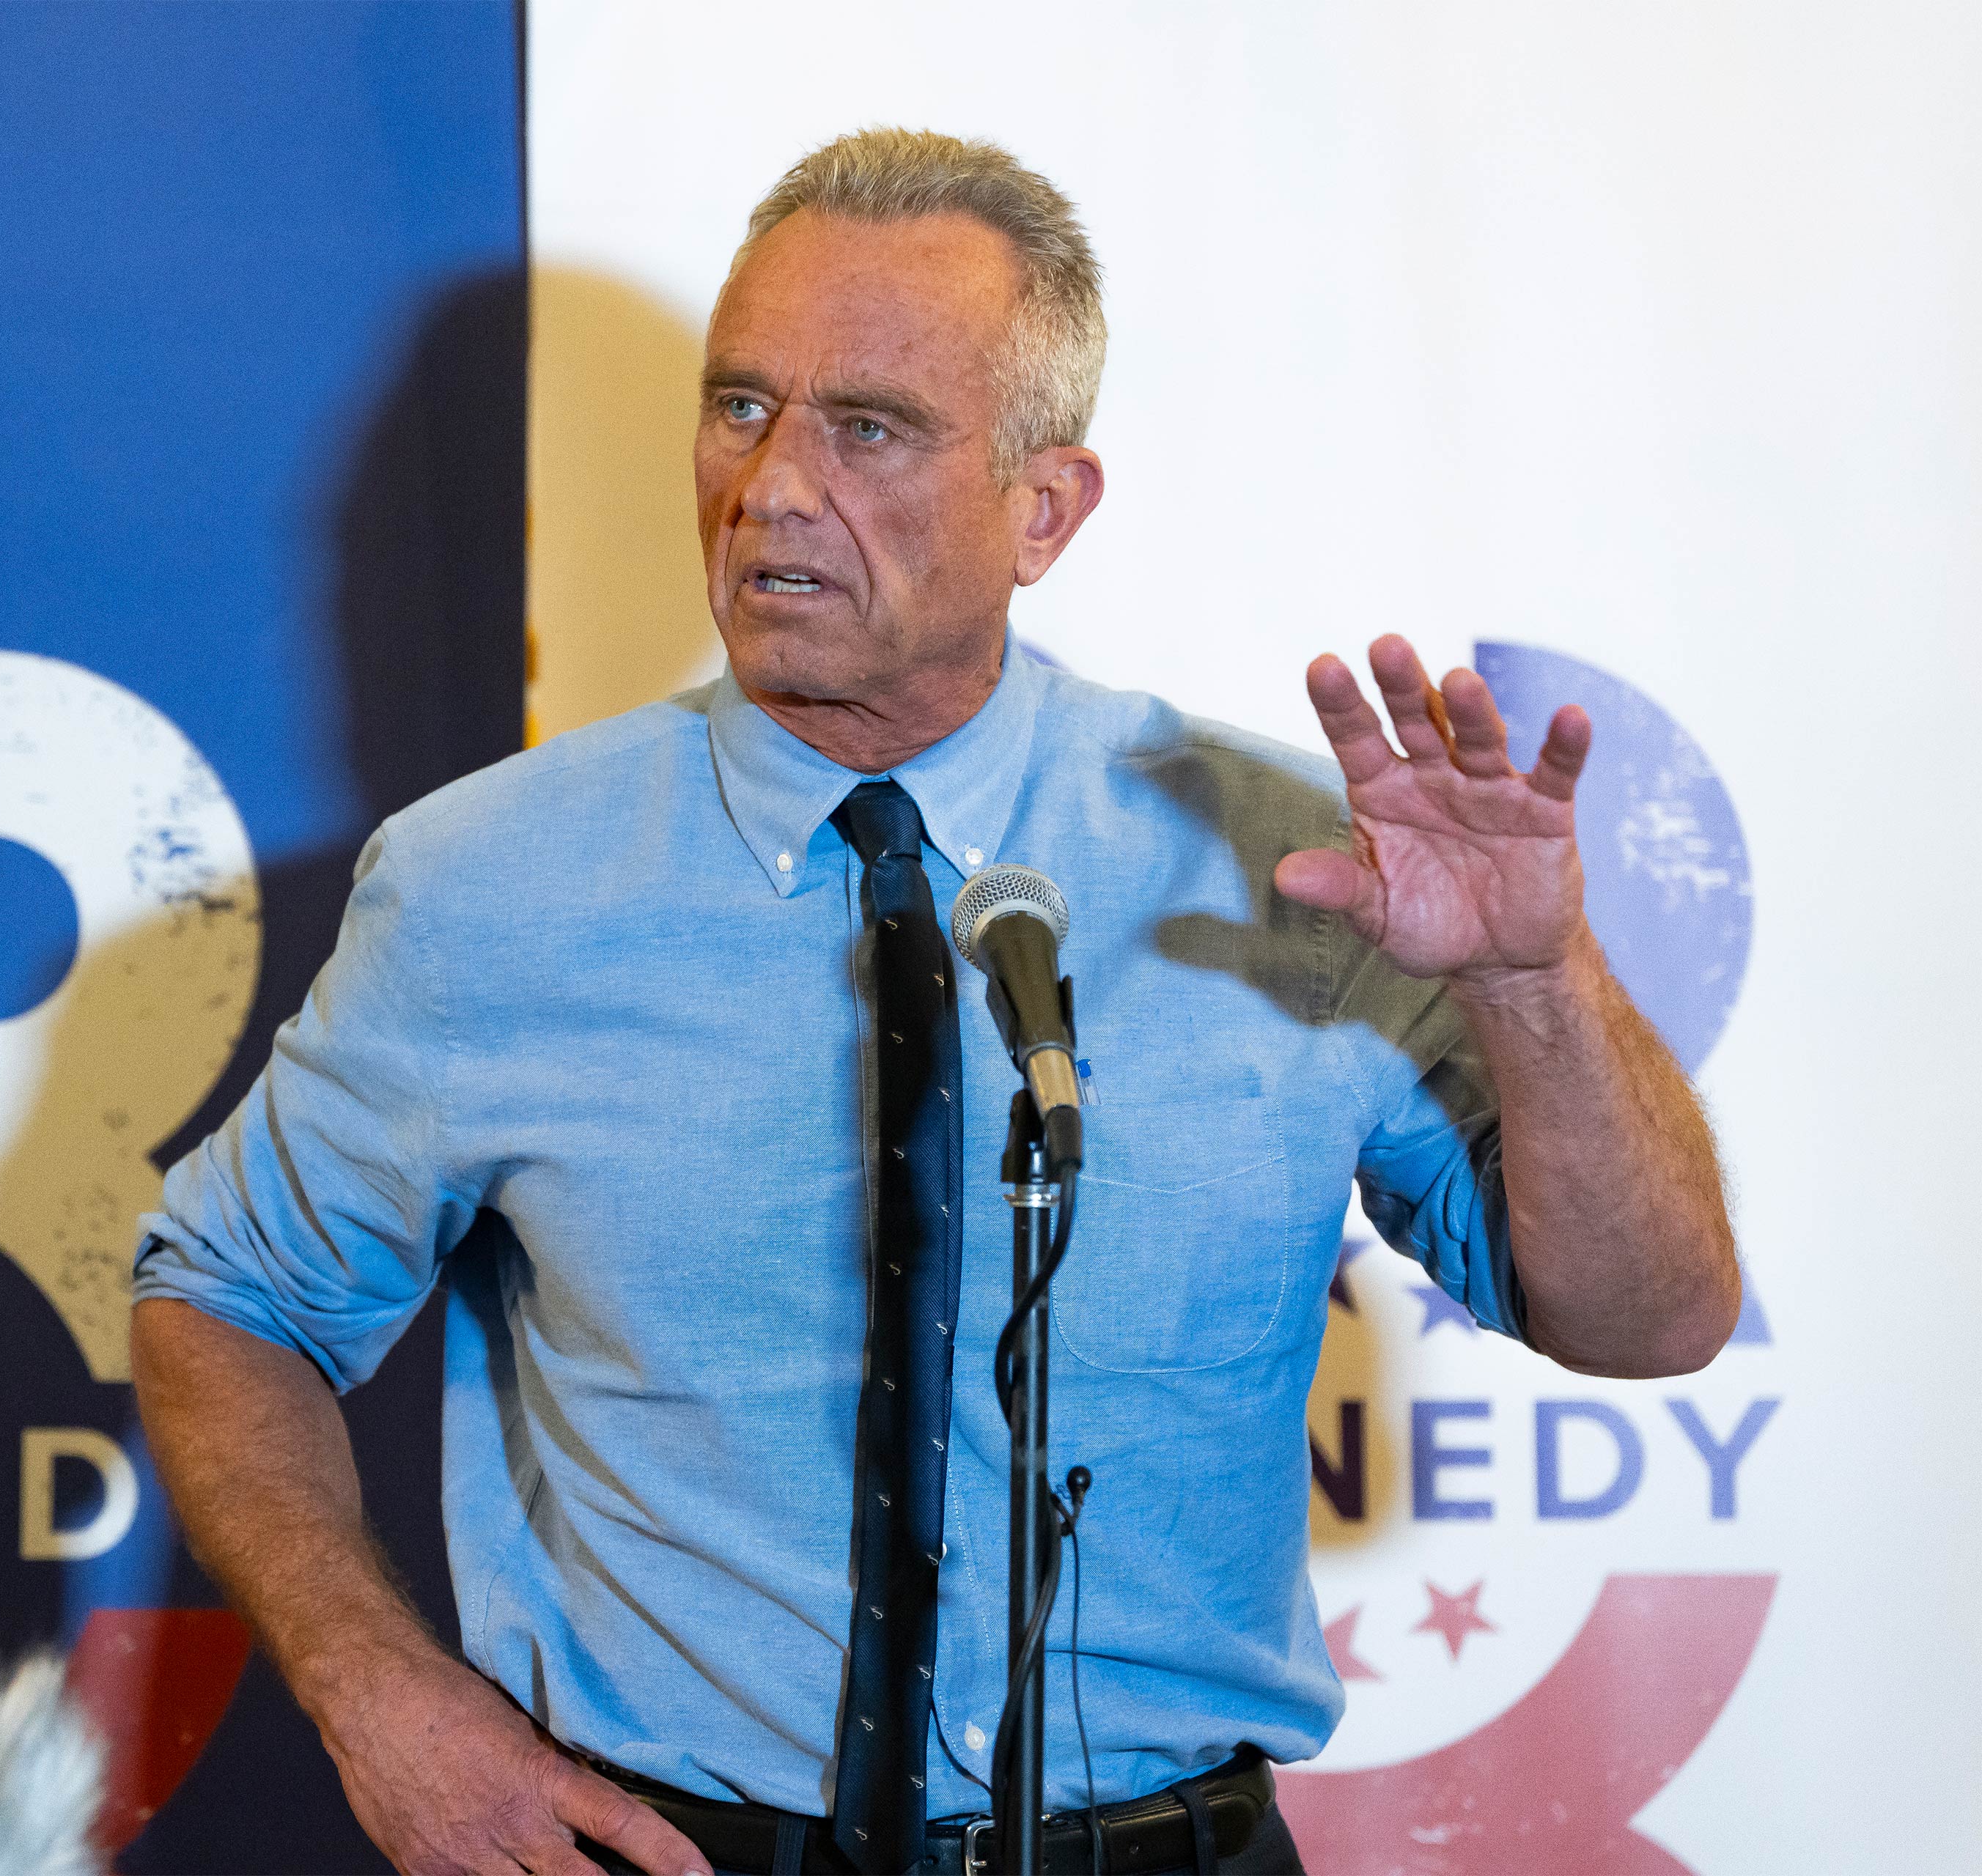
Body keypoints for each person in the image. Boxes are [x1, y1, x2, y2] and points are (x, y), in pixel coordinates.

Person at [129, 129, 1736, 1876]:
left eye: (868, 427)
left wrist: (1532, 977)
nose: (772, 487)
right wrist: (375, 1689)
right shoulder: (485, 887)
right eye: (741, 407)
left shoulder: (1289, 870)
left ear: (1043, 507)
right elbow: (226, 1293)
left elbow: (1648, 1320)